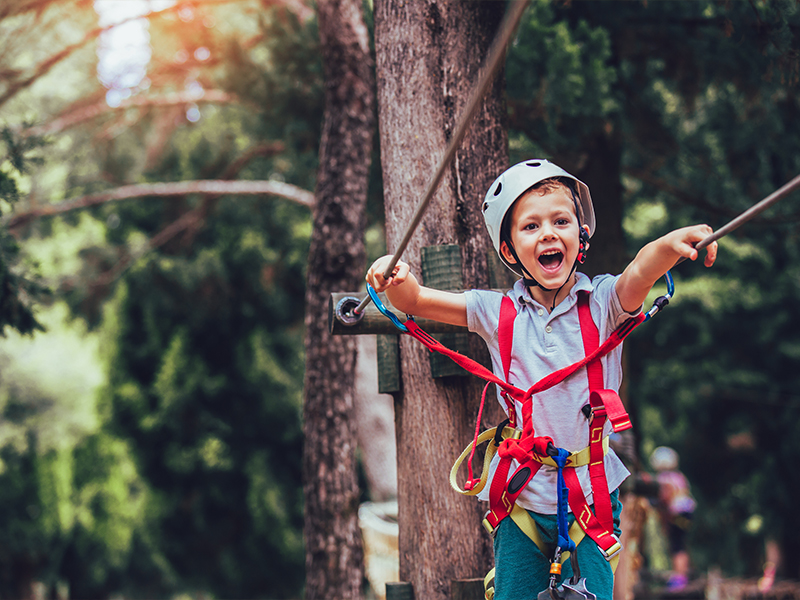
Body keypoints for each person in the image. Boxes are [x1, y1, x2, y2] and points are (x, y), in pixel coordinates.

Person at [366, 159, 717, 600]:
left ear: (580, 236)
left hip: (591, 495)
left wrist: (669, 244)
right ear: (510, 251)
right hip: (522, 497)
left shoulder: (605, 303)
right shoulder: (496, 312)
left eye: (561, 221)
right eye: (531, 226)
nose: (549, 233)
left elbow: (642, 271)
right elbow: (417, 300)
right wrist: (392, 275)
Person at [649, 446, 696, 592]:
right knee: (680, 542)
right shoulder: (679, 477)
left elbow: (665, 499)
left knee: (676, 545)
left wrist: (663, 515)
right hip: (687, 512)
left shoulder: (663, 479)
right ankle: (683, 572)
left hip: (676, 514)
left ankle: (680, 577)